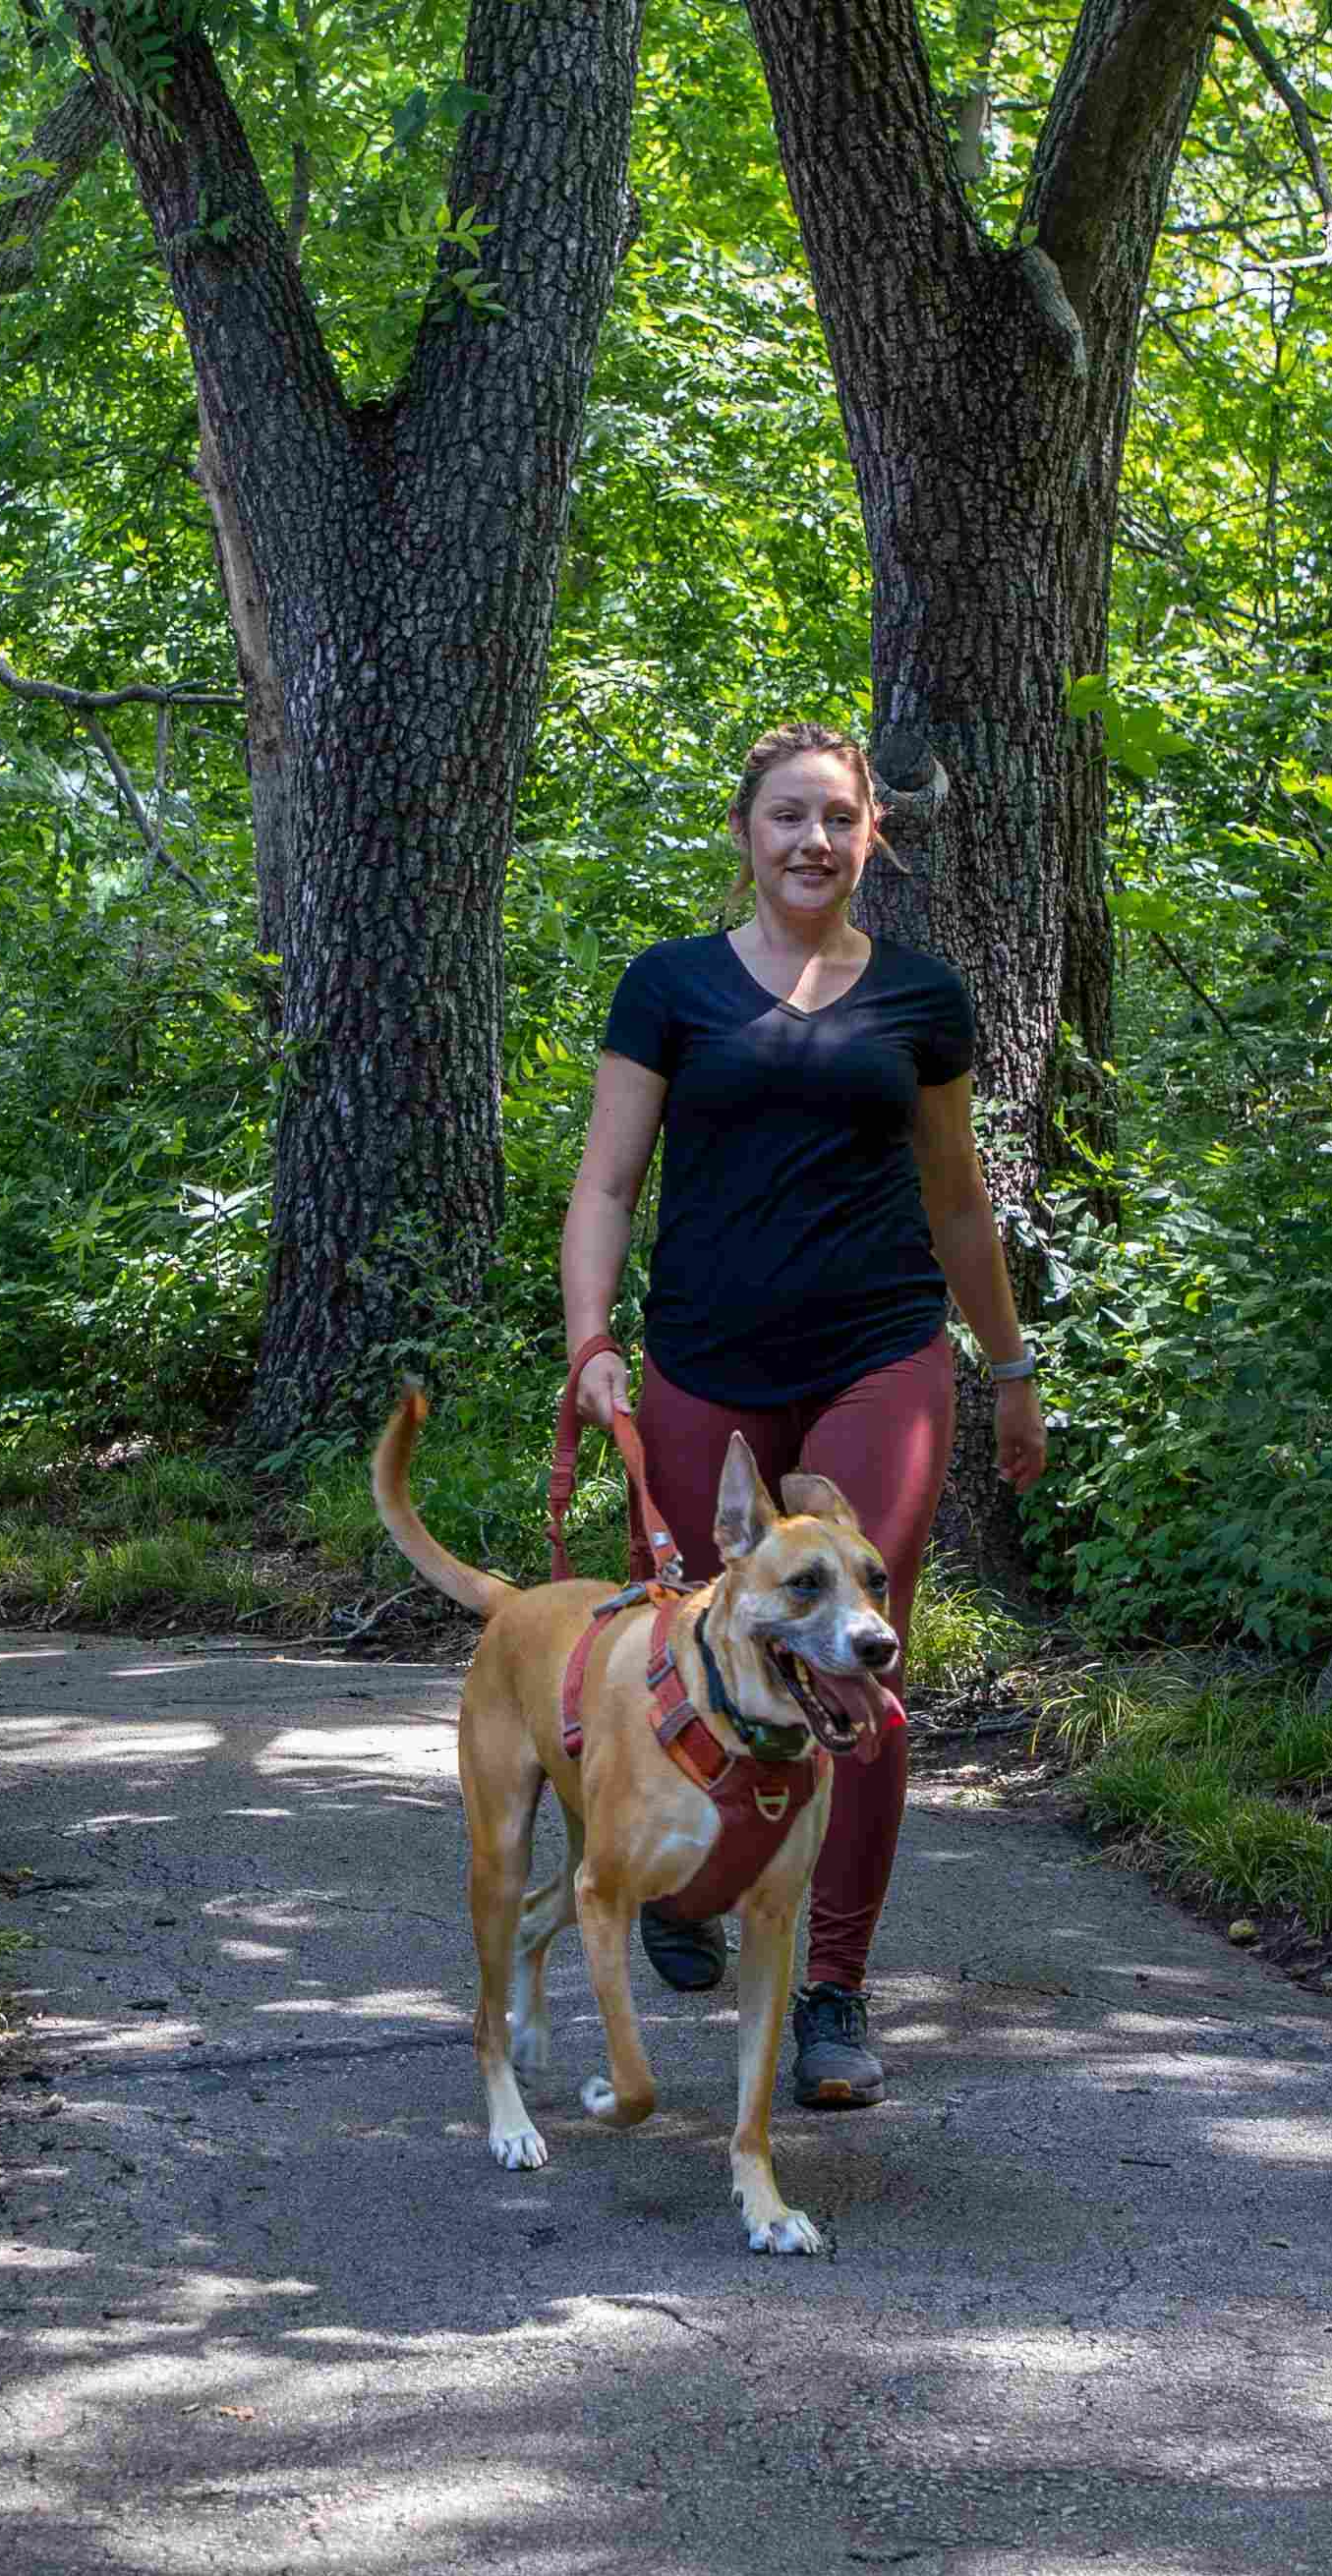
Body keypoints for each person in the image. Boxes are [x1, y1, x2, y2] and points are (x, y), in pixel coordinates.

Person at [560, 718, 1048, 2109]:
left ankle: (833, 1989)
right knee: (676, 1646)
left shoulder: (920, 997)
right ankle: (683, 1883)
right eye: (786, 817)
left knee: (853, 1664)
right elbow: (604, 1186)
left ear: (869, 837)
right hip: (702, 1359)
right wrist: (591, 1341)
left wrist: (1007, 1368)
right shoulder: (668, 988)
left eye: (837, 819)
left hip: (874, 1357)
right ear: (743, 831)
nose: (812, 842)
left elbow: (957, 1199)